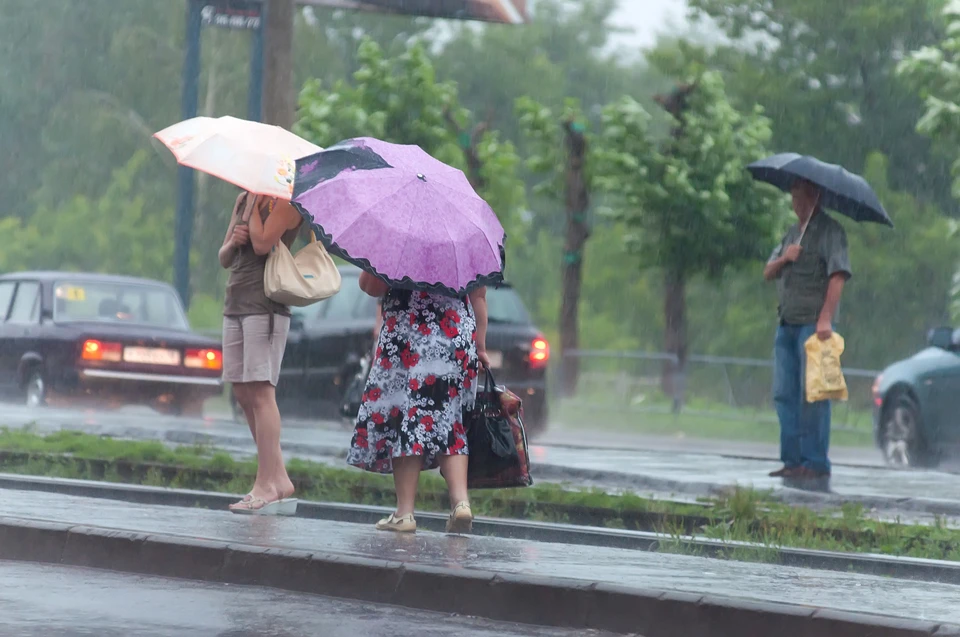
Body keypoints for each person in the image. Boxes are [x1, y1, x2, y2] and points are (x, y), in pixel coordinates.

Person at [347, 273, 490, 534]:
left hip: (408, 338)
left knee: (406, 418)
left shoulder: (401, 237)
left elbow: (371, 286)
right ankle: (461, 503)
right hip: (455, 338)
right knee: (449, 420)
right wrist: (479, 346)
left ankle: (404, 514)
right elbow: (478, 295)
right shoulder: (460, 238)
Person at [219, 192, 302, 514]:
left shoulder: (286, 203)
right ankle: (278, 477)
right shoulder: (242, 199)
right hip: (236, 299)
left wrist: (253, 212)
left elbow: (262, 244)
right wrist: (232, 240)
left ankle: (265, 483)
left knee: (261, 390)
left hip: (265, 305)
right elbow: (225, 256)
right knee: (242, 390)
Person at [764, 178, 852, 482]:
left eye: (801, 200)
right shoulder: (791, 233)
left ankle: (815, 462)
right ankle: (792, 459)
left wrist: (826, 318)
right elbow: (767, 271)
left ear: (816, 198)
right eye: (793, 200)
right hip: (786, 324)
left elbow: (838, 275)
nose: (797, 206)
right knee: (784, 394)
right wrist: (784, 258)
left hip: (814, 328)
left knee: (814, 395)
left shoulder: (831, 232)